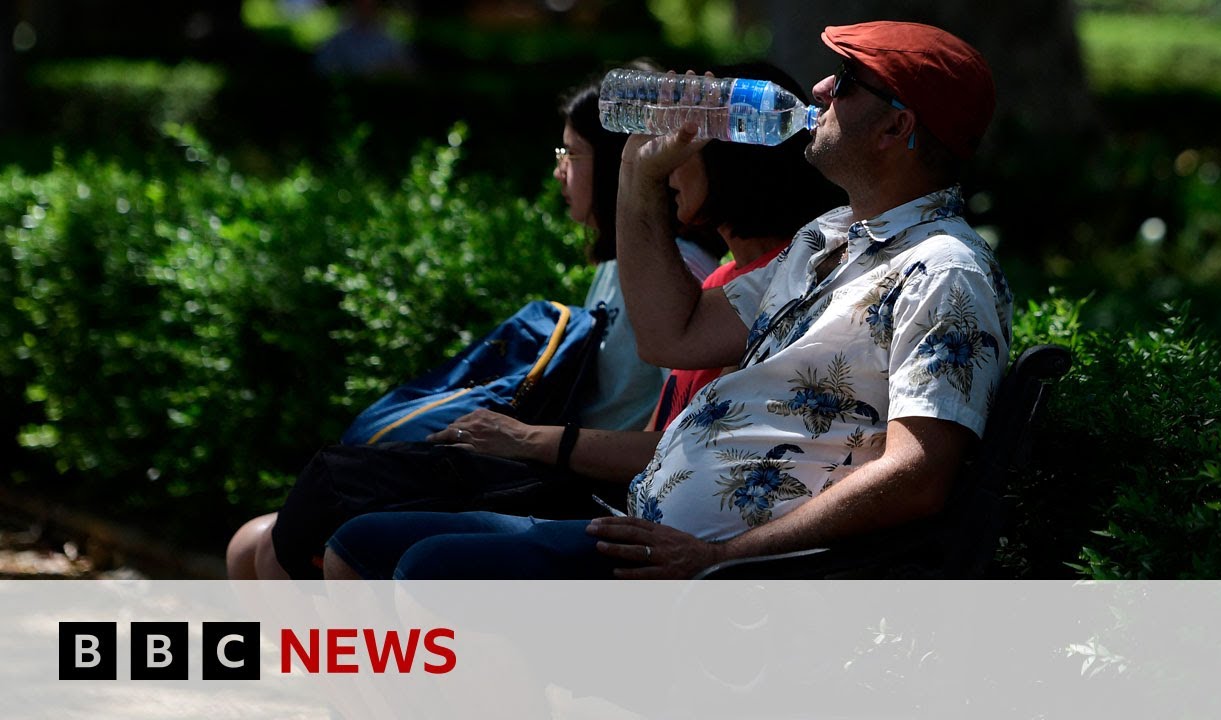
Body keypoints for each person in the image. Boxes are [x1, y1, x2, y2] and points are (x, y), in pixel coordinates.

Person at [325, 21, 1011, 581]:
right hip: (657, 537)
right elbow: (671, 336)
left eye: (850, 82)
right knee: (359, 546)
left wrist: (719, 558)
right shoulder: (827, 238)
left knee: (429, 571)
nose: (823, 86)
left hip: (735, 579)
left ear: (896, 130)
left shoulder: (945, 271)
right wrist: (639, 170)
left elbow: (920, 474)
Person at [227, 62, 832, 579]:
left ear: (731, 158)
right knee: (327, 519)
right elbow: (665, 434)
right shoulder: (723, 281)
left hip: (627, 510)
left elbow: (658, 376)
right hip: (613, 495)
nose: (667, 167)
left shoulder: (767, 284)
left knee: (366, 533)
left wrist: (526, 439)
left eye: (573, 153)